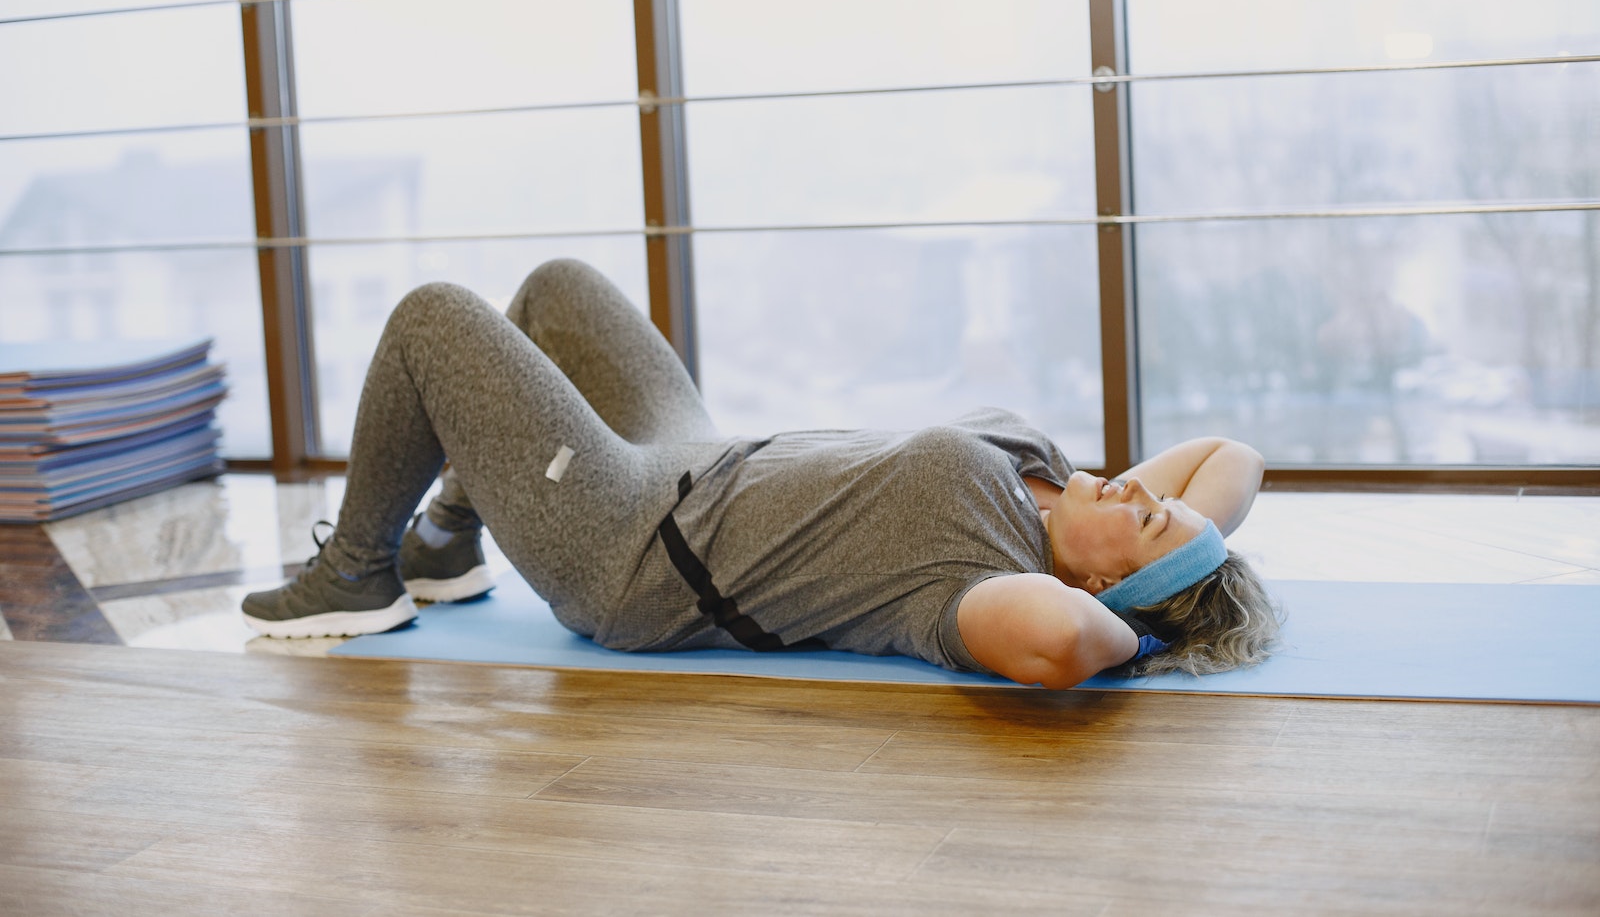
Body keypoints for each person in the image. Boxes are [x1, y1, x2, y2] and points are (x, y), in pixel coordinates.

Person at [242, 259, 1279, 689]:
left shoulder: (989, 583)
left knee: (434, 318)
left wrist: (1146, 638)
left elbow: (1061, 648)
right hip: (689, 451)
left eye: (1146, 523)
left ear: (1101, 585)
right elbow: (1233, 460)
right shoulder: (1049, 480)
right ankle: (451, 537)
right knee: (558, 291)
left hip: (633, 542)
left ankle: (359, 569)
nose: (1141, 490)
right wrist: (1185, 539)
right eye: (1156, 498)